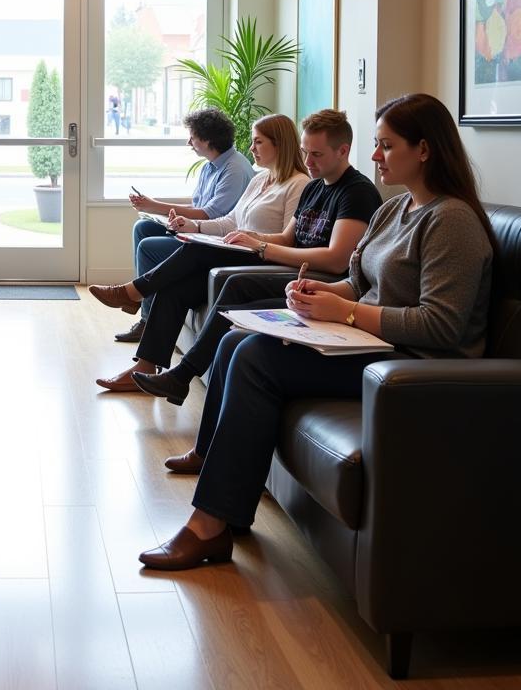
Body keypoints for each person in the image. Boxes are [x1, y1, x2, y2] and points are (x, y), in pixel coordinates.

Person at [138, 93, 494, 571]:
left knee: (255, 359)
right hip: (367, 342)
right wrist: (315, 296)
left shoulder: (451, 220)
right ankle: (222, 506)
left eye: (386, 146)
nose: (374, 156)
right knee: (235, 339)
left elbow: (441, 324)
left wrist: (344, 313)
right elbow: (356, 281)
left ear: (424, 150)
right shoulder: (395, 210)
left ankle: (210, 526)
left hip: (409, 362)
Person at [130, 109, 382, 409]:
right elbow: (287, 237)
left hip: (319, 279)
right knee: (183, 284)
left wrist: (262, 249)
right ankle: (161, 368)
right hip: (291, 266)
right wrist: (252, 239)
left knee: (233, 283)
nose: (309, 162)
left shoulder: (357, 192)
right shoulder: (315, 187)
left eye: (316, 154)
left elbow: (336, 260)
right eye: (305, 153)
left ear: (343, 151)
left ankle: (168, 352)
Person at [91, 113, 309, 391]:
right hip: (236, 248)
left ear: (280, 145)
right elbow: (230, 220)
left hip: (258, 257)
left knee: (195, 250)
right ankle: (145, 365)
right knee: (175, 288)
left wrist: (253, 239)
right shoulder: (260, 180)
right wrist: (193, 225)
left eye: (258, 142)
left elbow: (288, 241)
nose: (252, 148)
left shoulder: (298, 184)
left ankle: (134, 292)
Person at [120, 108, 254, 343]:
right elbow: (197, 205)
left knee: (148, 246)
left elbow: (209, 214)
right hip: (197, 229)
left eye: (192, 137)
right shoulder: (209, 167)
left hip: (213, 240)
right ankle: (140, 304)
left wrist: (154, 205)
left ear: (207, 139)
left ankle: (146, 318)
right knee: (143, 228)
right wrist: (163, 213)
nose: (188, 142)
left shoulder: (234, 169)